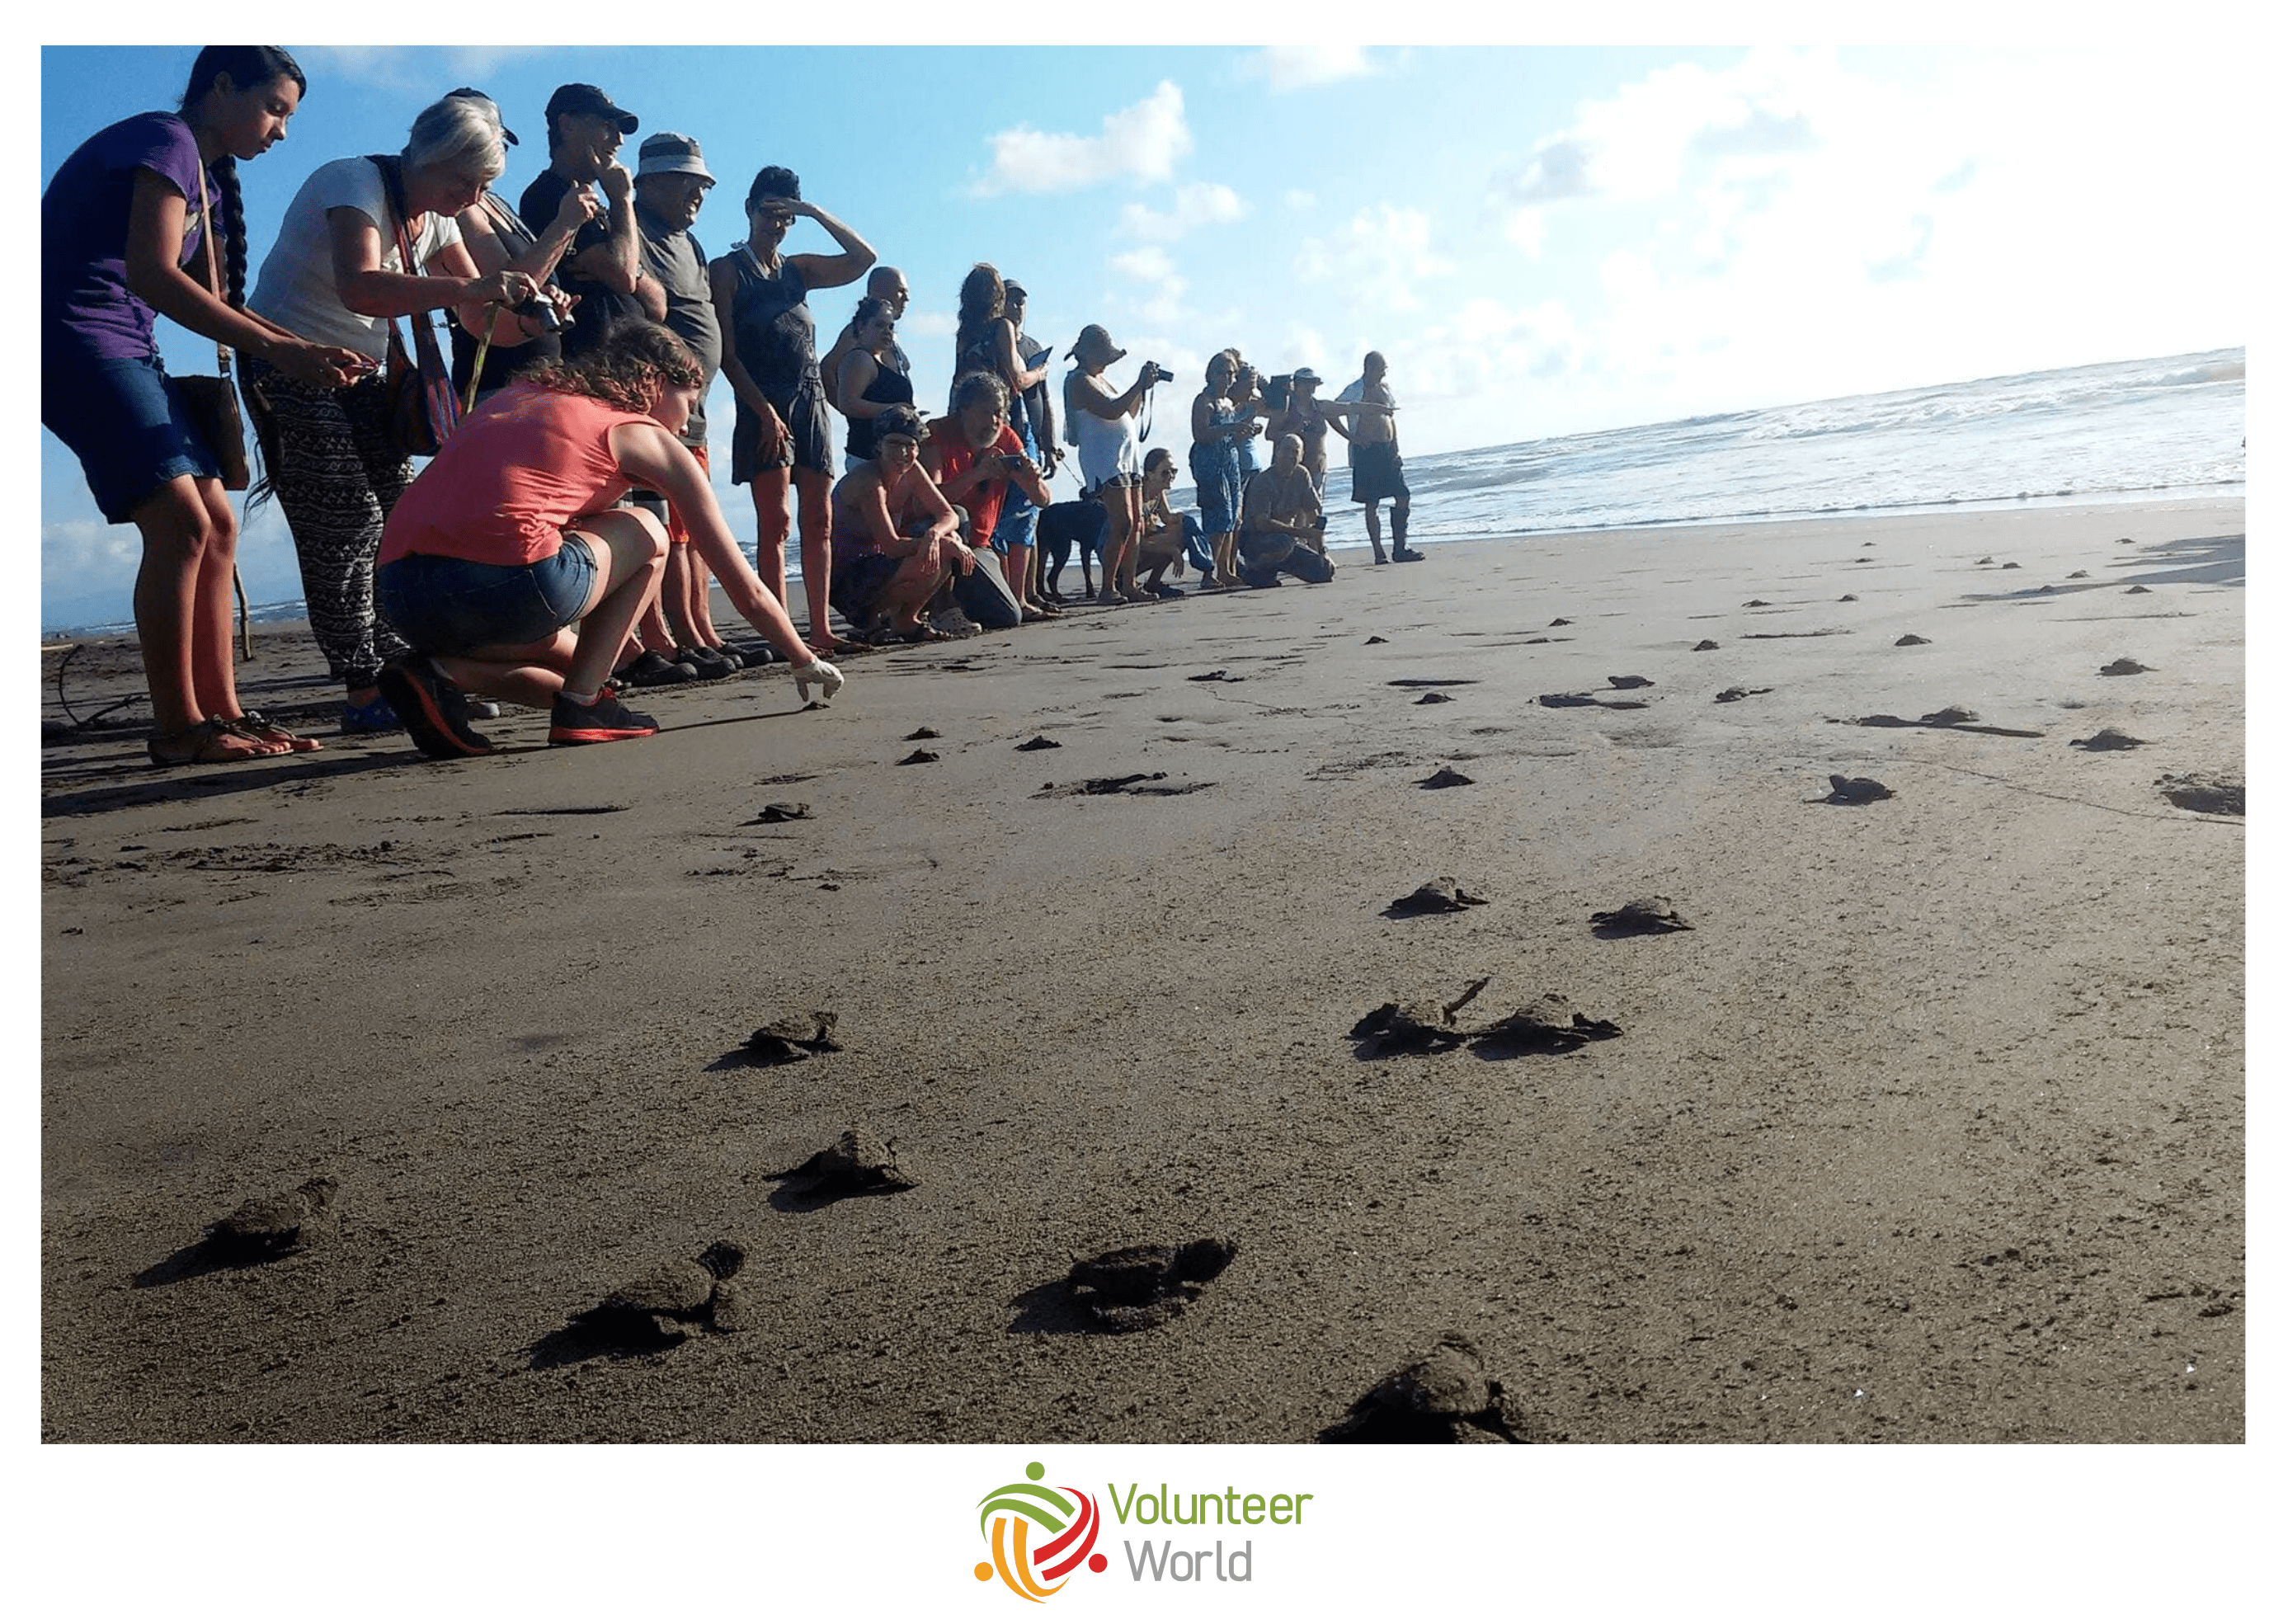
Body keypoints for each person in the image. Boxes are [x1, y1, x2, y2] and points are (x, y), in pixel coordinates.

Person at [41, 45, 369, 765]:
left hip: (130, 346)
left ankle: (222, 710)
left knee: (218, 521)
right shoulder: (164, 138)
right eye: (274, 108)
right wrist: (285, 352)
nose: (281, 130)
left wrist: (301, 346)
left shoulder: (208, 178)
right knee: (181, 521)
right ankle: (178, 727)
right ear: (221, 87)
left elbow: (206, 300)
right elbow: (154, 274)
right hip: (75, 340)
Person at [374, 320, 843, 756]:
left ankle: (440, 676)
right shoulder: (642, 433)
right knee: (650, 530)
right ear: (654, 380)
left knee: (573, 663)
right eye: (690, 402)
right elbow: (745, 588)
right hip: (502, 586)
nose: (688, 422)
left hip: (401, 595)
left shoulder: (519, 395)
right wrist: (802, 658)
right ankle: (583, 703)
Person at [244, 92, 545, 733]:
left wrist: (534, 309)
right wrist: (474, 286)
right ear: (431, 159)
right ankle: (362, 688)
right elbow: (362, 285)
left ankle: (406, 674)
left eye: (483, 185)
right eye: (466, 181)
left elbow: (480, 319)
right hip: (288, 361)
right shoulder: (354, 182)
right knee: (344, 520)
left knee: (396, 518)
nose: (471, 198)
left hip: (362, 374)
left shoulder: (436, 217)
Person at [711, 165, 876, 655]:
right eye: (768, 212)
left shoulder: (797, 271)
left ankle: (820, 630)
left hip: (809, 401)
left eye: (785, 216)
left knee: (818, 520)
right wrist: (762, 411)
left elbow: (863, 259)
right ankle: (781, 633)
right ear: (749, 209)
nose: (776, 223)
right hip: (763, 401)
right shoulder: (728, 269)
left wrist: (813, 211)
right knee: (776, 520)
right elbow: (726, 351)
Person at [623, 130, 741, 678]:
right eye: (688, 183)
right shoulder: (634, 229)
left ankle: (700, 629)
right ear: (650, 182)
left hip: (694, 412)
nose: (699, 194)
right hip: (654, 407)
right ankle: (661, 638)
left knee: (691, 527)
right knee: (660, 529)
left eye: (704, 186)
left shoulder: (689, 244)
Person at [441, 88, 589, 407]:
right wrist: (565, 223)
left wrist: (550, 296)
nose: (501, 152)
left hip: (538, 384)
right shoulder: (458, 207)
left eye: (502, 144)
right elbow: (505, 290)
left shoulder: (498, 205)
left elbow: (529, 283)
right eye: (495, 142)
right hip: (496, 387)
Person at [517, 83, 662, 358]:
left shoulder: (599, 208)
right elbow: (623, 277)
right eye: (607, 126)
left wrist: (632, 269)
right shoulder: (547, 195)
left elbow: (658, 303)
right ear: (568, 125)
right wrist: (621, 199)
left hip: (626, 367)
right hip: (589, 366)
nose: (619, 140)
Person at [923, 370, 1054, 631]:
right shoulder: (938, 434)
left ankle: (960, 601)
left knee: (1007, 616)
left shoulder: (1006, 437)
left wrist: (1032, 479)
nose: (995, 421)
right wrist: (977, 474)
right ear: (963, 410)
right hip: (935, 536)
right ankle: (943, 607)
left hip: (979, 544)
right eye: (986, 412)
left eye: (999, 412)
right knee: (956, 514)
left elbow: (1043, 501)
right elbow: (928, 501)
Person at [827, 404, 969, 643]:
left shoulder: (912, 471)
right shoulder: (868, 480)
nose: (903, 452)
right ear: (879, 446)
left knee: (950, 538)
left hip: (878, 566)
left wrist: (935, 535)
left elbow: (949, 515)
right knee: (945, 546)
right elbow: (891, 545)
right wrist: (940, 544)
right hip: (846, 580)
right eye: (894, 443)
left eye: (910, 445)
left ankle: (906, 620)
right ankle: (868, 620)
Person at [1062, 324, 1164, 605]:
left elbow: (1129, 410)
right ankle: (1108, 587)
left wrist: (1142, 390)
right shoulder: (1078, 381)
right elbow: (1111, 410)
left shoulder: (1103, 381)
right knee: (1123, 521)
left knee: (1136, 524)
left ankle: (1128, 584)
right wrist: (1137, 385)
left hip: (1124, 456)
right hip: (1103, 459)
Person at [996, 281, 1061, 610]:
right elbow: (1018, 381)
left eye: (1022, 301)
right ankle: (1010, 593)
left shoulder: (1033, 345)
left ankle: (1029, 591)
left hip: (1032, 434)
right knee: (1007, 514)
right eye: (1011, 300)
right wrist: (1037, 372)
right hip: (1008, 434)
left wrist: (1050, 443)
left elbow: (1045, 399)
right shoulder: (996, 337)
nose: (1017, 307)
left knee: (1030, 515)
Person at [1338, 351, 1421, 563]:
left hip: (1388, 451)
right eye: (1381, 369)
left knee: (1403, 495)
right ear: (1369, 368)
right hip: (1367, 452)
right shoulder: (1355, 390)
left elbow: (1391, 419)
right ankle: (1378, 552)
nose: (1384, 374)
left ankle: (1400, 548)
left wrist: (1396, 448)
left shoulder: (1385, 389)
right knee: (1371, 503)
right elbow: (1332, 412)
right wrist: (1352, 437)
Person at [1267, 366, 1386, 507]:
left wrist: (1378, 409)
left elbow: (1350, 407)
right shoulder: (1285, 408)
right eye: (1305, 383)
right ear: (1296, 385)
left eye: (1312, 383)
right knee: (1289, 510)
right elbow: (1270, 435)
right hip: (1290, 469)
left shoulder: (1320, 406)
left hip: (1317, 467)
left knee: (1314, 509)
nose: (1310, 387)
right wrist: (1295, 430)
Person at [1236, 433, 1337, 587]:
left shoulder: (1302, 475)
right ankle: (1252, 569)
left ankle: (1273, 569)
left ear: (1302, 456)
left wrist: (1323, 551)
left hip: (1288, 542)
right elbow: (1262, 523)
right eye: (1286, 450)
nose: (1290, 455)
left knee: (1324, 572)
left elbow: (1313, 517)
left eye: (1295, 452)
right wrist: (1300, 532)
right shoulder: (1263, 481)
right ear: (1277, 452)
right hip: (1257, 540)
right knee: (1282, 542)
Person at [1188, 352, 1254, 589]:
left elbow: (1230, 434)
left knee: (1233, 516)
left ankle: (1225, 569)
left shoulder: (1228, 403)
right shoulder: (1203, 401)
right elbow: (1201, 434)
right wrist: (1230, 428)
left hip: (1230, 459)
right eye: (1225, 374)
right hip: (1209, 462)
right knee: (1217, 517)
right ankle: (1209, 572)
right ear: (1212, 374)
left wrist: (1242, 430)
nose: (1229, 379)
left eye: (1232, 374)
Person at [834, 295, 913, 473]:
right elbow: (847, 403)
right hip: (867, 458)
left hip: (892, 457)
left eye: (891, 327)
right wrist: (894, 409)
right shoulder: (860, 358)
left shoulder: (886, 361)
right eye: (879, 325)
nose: (887, 332)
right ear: (862, 326)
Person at [818, 263, 912, 405]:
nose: (907, 298)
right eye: (900, 291)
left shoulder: (889, 335)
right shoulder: (858, 333)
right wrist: (849, 410)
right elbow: (827, 369)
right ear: (880, 290)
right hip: (873, 425)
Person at [1132, 447, 1190, 596]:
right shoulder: (1137, 495)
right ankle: (1125, 580)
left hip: (1142, 543)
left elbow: (1167, 518)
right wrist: (1171, 550)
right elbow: (1135, 540)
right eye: (1165, 472)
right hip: (1129, 549)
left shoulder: (1159, 492)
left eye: (1174, 471)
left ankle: (1153, 583)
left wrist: (1183, 520)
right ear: (1149, 474)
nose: (1170, 476)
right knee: (1172, 544)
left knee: (1180, 532)